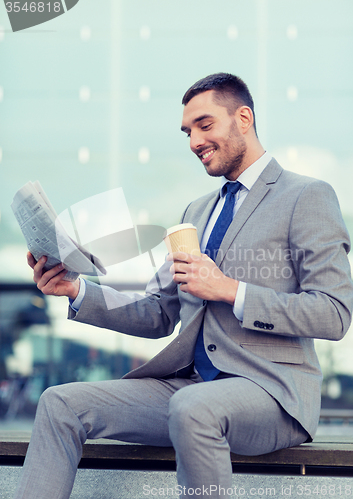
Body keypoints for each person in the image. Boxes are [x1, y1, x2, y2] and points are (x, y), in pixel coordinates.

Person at [15, 73, 353, 499]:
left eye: (205, 125)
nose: (194, 140)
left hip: (273, 394)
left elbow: (334, 312)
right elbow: (159, 312)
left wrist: (231, 290)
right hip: (189, 389)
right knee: (59, 403)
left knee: (194, 408)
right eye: (187, 131)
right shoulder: (198, 209)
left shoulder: (307, 196)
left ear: (243, 118)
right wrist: (76, 289)